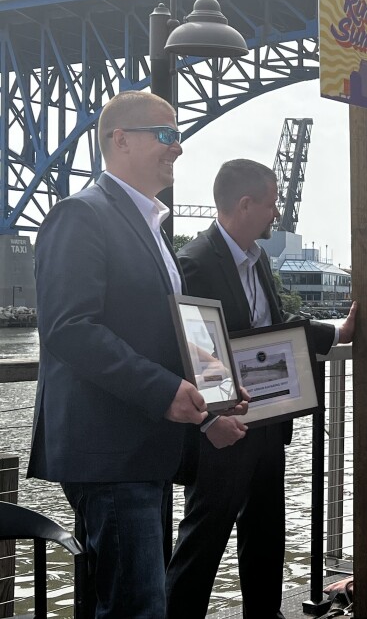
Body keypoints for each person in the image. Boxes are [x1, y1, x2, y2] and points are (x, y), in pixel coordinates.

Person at [27, 90, 243, 618]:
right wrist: (166, 391)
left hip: (143, 448)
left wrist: (208, 409)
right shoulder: (80, 215)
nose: (178, 147)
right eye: (166, 134)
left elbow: (162, 336)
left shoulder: (148, 227)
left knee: (135, 602)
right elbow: (69, 329)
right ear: (120, 140)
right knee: (136, 607)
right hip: (110, 452)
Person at [165, 159, 356, 618]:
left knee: (267, 535)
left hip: (266, 423)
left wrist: (337, 333)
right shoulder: (194, 262)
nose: (277, 213)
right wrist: (210, 420)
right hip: (222, 427)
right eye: (272, 204)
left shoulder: (258, 258)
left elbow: (270, 328)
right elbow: (189, 349)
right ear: (245, 204)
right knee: (203, 541)